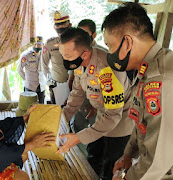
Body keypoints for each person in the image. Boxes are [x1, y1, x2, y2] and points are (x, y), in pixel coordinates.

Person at [101, 3, 173, 180]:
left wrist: (127, 178)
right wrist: (128, 154)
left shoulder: (163, 79)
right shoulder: (153, 66)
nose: (109, 53)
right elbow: (143, 122)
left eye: (110, 46)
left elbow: (159, 160)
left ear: (128, 42)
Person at [57, 28, 134, 180]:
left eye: (67, 56)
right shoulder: (79, 63)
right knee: (93, 157)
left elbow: (113, 116)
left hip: (120, 120)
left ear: (84, 54)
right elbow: (77, 93)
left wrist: (78, 137)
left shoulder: (107, 68)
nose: (65, 60)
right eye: (62, 55)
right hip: (102, 115)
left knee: (110, 166)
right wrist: (60, 120)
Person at [42, 10, 72, 105]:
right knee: (58, 112)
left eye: (63, 24)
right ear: (54, 27)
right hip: (58, 85)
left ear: (70, 25)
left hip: (76, 85)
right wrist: (50, 82)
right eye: (57, 25)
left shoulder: (77, 43)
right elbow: (44, 65)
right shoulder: (49, 44)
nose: (60, 27)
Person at [18, 36, 46, 103]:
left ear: (42, 45)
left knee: (41, 105)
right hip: (30, 86)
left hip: (41, 85)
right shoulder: (26, 56)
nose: (36, 46)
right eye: (35, 44)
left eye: (39, 44)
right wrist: (26, 79)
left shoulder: (45, 55)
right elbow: (19, 69)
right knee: (29, 105)